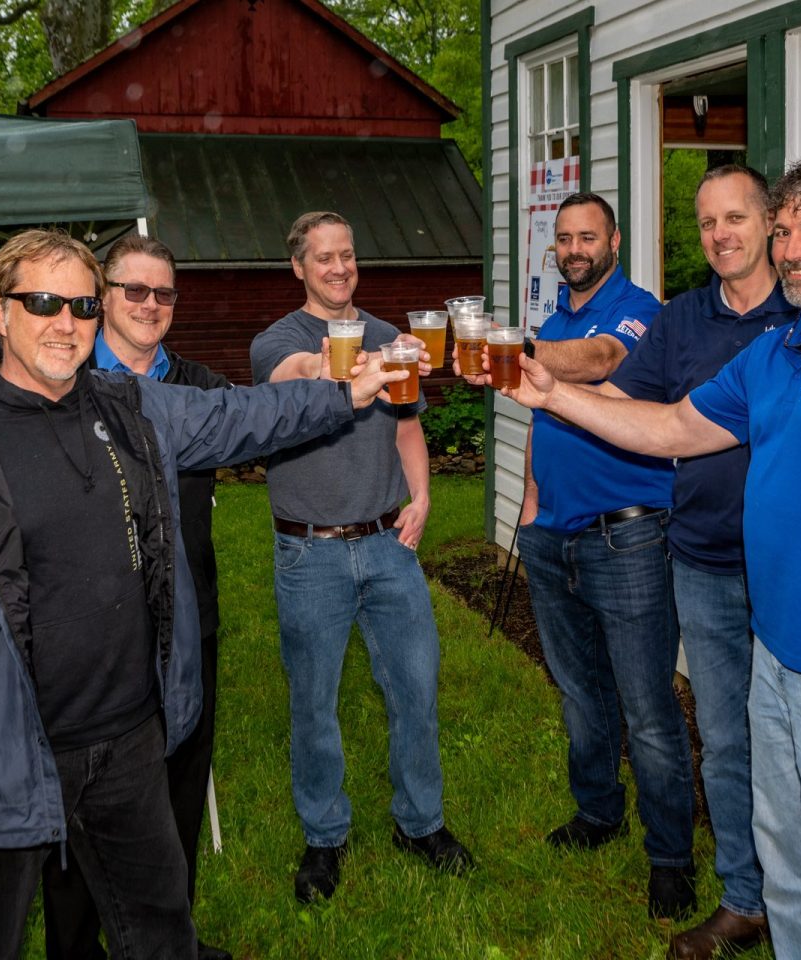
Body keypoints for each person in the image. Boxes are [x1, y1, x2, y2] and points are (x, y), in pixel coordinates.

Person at [499, 160, 801, 959]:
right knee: (790, 875)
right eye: (788, 229)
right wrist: (551, 395)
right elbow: (670, 430)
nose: (795, 249)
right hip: (775, 652)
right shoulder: (778, 351)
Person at [0, 228, 402, 960]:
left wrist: (341, 393)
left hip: (129, 736)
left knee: (161, 933)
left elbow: (243, 418)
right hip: (3, 748)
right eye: (41, 303)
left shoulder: (130, 405)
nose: (65, 324)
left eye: (79, 305)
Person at [249, 210, 473, 905]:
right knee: (313, 705)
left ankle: (421, 823)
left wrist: (424, 496)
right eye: (324, 258)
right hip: (309, 553)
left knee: (416, 692)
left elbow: (406, 428)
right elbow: (296, 375)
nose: (339, 267)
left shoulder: (391, 336)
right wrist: (355, 362)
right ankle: (324, 838)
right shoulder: (276, 341)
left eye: (347, 255)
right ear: (299, 268)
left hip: (387, 547)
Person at [487, 191, 697, 919]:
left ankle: (671, 856)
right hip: (557, 537)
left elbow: (599, 361)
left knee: (646, 707)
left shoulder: (640, 312)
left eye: (588, 237)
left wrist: (511, 350)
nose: (575, 249)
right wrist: (536, 508)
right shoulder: (555, 318)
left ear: (614, 241)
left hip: (630, 536)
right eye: (565, 239)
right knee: (582, 695)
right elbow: (548, 423)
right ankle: (599, 812)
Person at [604, 166, 796, 958]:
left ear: (770, 225)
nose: (720, 234)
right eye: (707, 221)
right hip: (706, 562)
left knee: (799, 745)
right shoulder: (681, 319)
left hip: (794, 569)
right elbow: (628, 405)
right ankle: (746, 900)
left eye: (736, 218)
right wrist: (547, 385)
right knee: (724, 740)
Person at [42, 235, 232, 960]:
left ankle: (167, 939)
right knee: (85, 807)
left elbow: (263, 414)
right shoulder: (66, 381)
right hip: (97, 634)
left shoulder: (199, 386)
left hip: (188, 625)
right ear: (103, 297)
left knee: (179, 789)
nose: (151, 305)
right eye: (135, 291)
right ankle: (75, 946)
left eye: (165, 294)